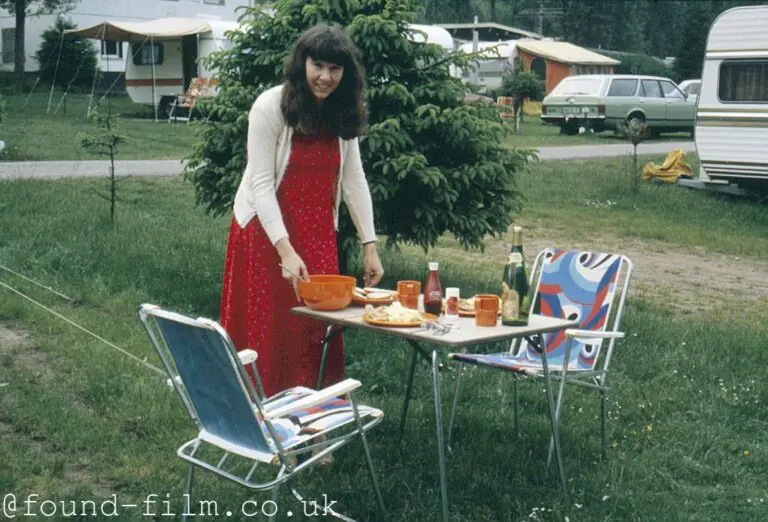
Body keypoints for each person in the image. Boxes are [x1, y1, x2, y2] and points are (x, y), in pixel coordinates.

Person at [219, 24, 384, 398]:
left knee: (315, 330)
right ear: (302, 63)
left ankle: (316, 422)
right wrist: (286, 249)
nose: (325, 77)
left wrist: (369, 245)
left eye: (335, 69)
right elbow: (261, 184)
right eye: (318, 65)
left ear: (346, 74)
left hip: (318, 230)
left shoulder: (342, 112)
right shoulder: (270, 106)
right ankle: (263, 417)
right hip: (265, 231)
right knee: (271, 328)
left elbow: (353, 179)